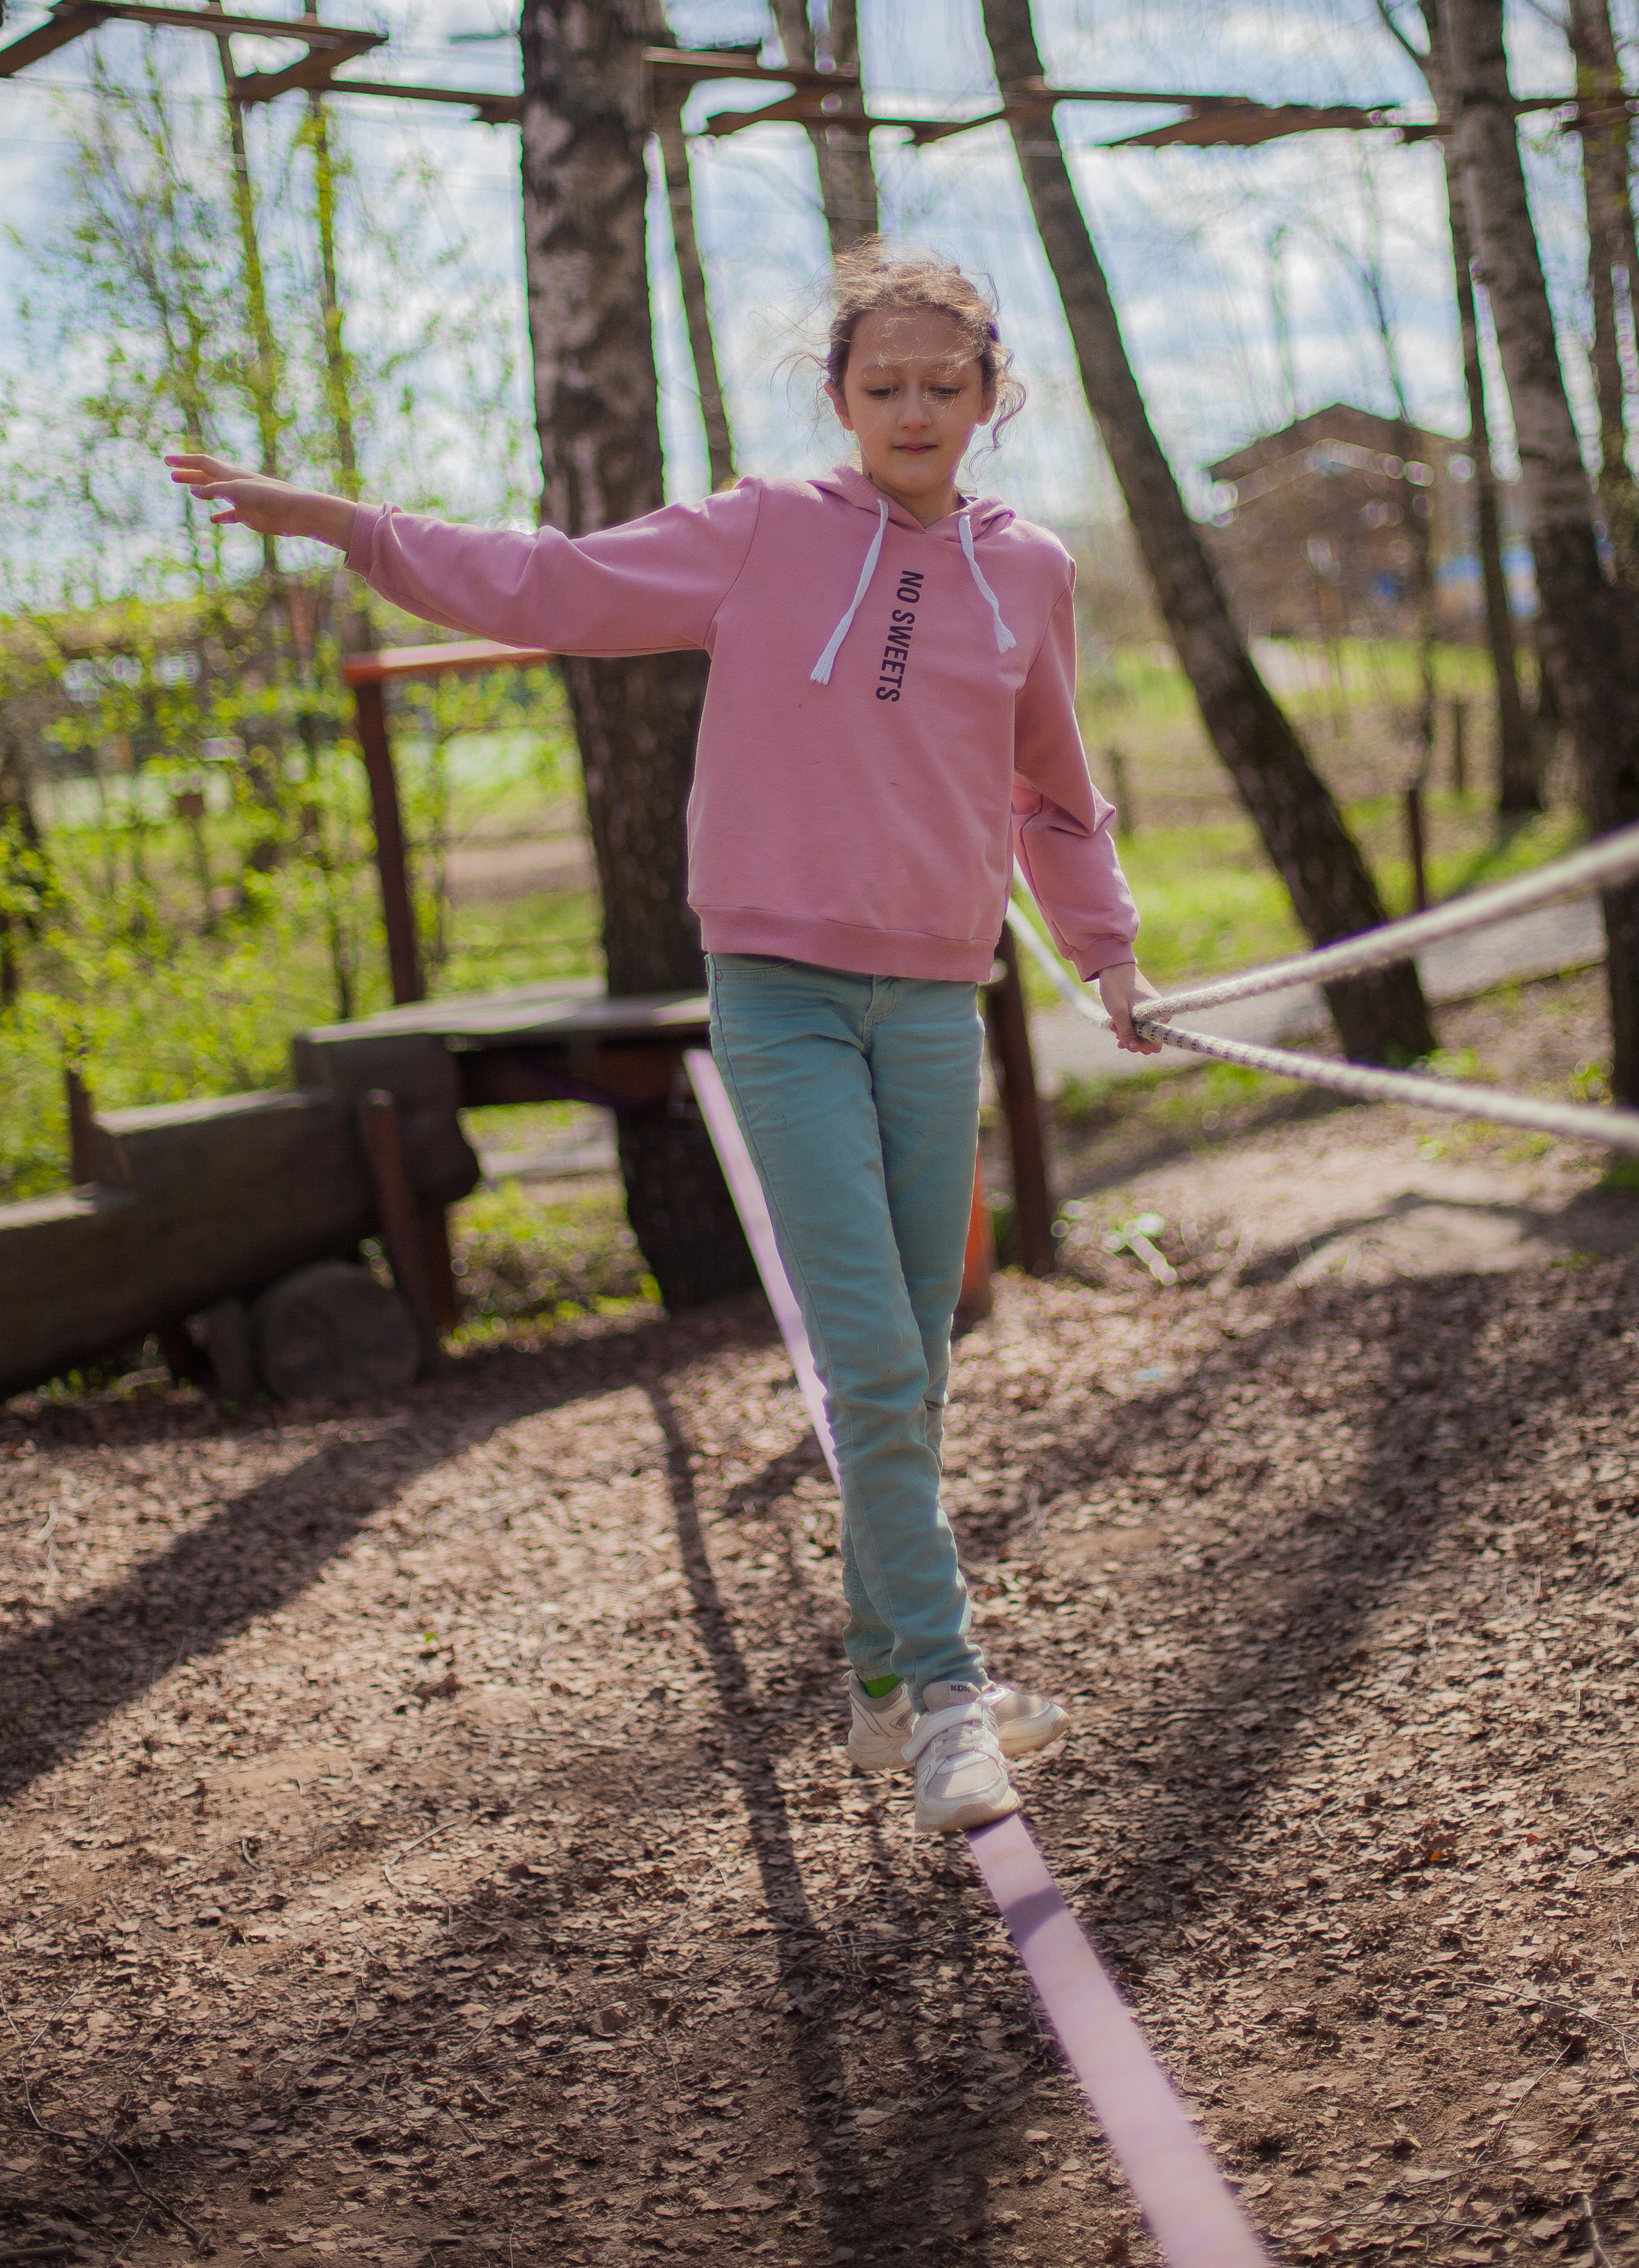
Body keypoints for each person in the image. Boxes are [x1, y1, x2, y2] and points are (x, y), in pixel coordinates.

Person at [166, 244, 1161, 1834]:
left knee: (913, 1362)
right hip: (776, 994)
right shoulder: (762, 532)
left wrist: (1108, 958)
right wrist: (348, 526)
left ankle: (876, 1682)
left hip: (934, 1000)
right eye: (881, 384)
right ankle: (949, 1696)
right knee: (872, 1356)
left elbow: (1051, 783)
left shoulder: (1023, 567)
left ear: (990, 397)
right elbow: (547, 582)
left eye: (942, 384)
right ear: (837, 397)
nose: (912, 409)